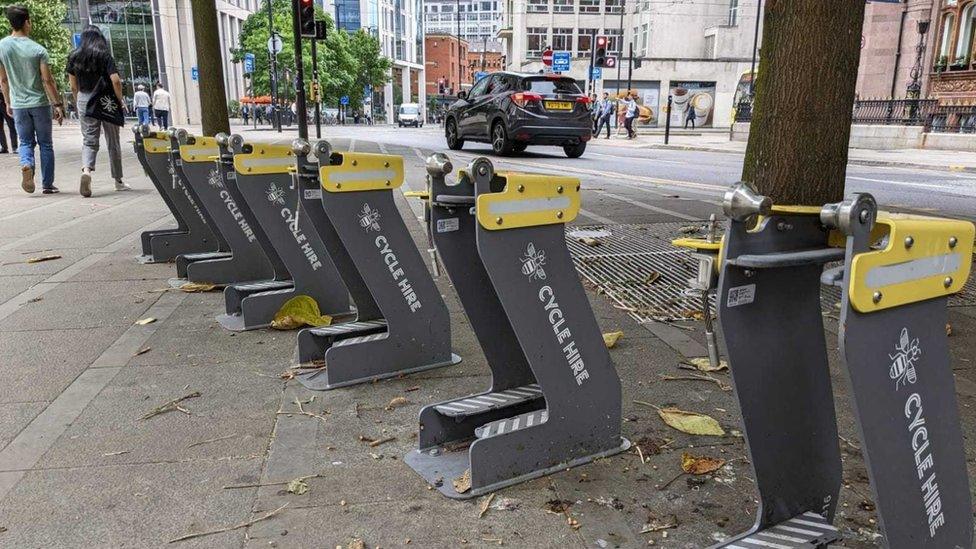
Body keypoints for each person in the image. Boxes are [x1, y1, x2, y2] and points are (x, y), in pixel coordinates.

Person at [0, 5, 65, 194]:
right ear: (27, 22)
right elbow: (47, 80)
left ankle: (27, 164)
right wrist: (58, 104)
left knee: (25, 142)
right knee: (46, 144)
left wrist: (8, 102)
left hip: (19, 104)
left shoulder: (2, 47)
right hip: (40, 104)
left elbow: (3, 80)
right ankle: (47, 184)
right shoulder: (38, 50)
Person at [67, 25, 129, 197]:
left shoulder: (74, 56)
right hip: (106, 99)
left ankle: (87, 170)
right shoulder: (105, 55)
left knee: (89, 139)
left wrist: (78, 99)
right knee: (113, 141)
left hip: (85, 99)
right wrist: (119, 100)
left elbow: (73, 86)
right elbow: (115, 80)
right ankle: (118, 181)